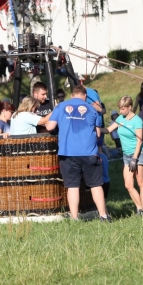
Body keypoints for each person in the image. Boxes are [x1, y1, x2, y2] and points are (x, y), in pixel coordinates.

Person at [45, 85, 110, 222]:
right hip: (89, 152)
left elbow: (50, 126)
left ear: (72, 95)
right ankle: (103, 215)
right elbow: (98, 133)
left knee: (72, 186)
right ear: (85, 96)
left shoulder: (61, 106)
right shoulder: (92, 109)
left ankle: (74, 218)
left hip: (67, 153)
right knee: (95, 184)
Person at [102, 96, 143, 216]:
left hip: (138, 153)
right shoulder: (120, 119)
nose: (120, 112)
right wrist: (96, 129)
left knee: (140, 182)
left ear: (130, 107)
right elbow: (108, 130)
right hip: (127, 155)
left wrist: (135, 159)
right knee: (128, 184)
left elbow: (139, 141)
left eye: (123, 109)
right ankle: (140, 208)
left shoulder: (137, 120)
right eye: (120, 109)